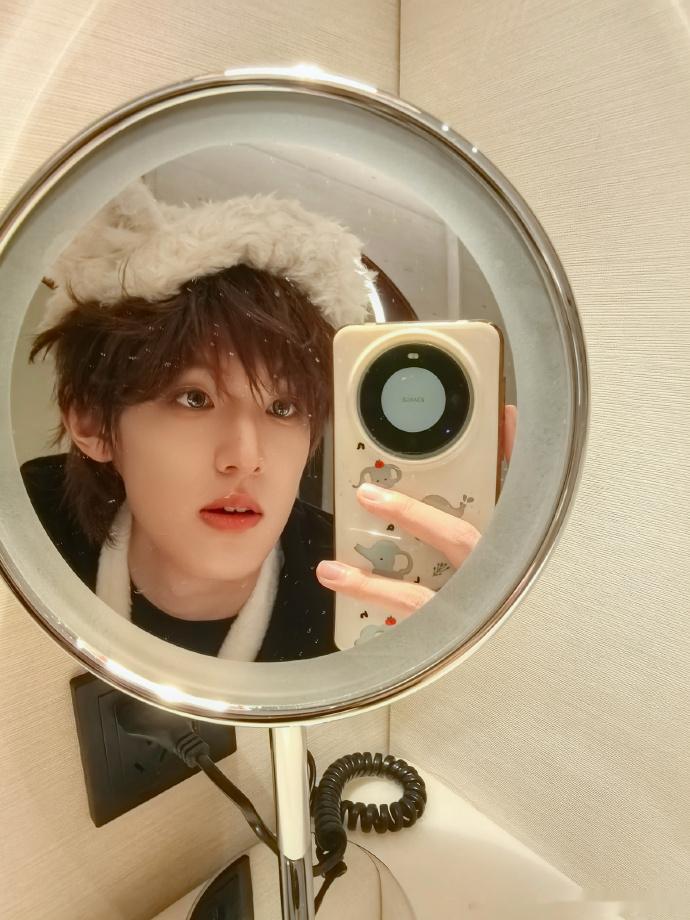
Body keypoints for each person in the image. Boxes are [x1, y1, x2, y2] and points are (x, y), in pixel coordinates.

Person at [21, 180, 515, 662]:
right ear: (91, 422)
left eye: (283, 408)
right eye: (194, 398)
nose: (245, 458)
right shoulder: (27, 532)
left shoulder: (356, 588)